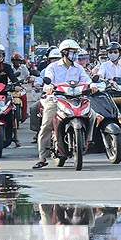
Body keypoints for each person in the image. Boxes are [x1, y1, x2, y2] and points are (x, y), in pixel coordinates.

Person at [35, 39, 91, 169]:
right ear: (64, 52)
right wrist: (48, 87)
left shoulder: (79, 68)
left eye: (76, 52)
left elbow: (87, 81)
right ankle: (42, 156)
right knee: (47, 124)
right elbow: (47, 82)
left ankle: (87, 140)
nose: (75, 54)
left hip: (76, 99)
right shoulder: (53, 67)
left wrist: (92, 86)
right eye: (73, 52)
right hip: (56, 99)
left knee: (93, 116)